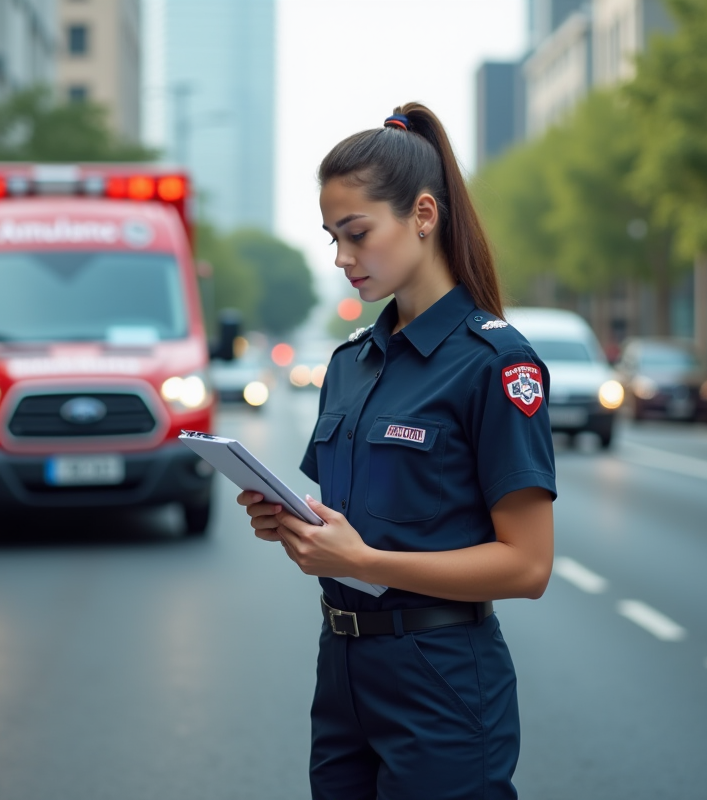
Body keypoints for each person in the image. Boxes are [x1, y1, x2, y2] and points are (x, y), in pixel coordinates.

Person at [238, 104, 555, 799]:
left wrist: (364, 563)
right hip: (344, 667)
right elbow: (358, 524)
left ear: (422, 214)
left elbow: (528, 565)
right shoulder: (350, 364)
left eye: (357, 234)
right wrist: (295, 524)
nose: (343, 258)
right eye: (332, 238)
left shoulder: (495, 364)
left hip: (442, 677)